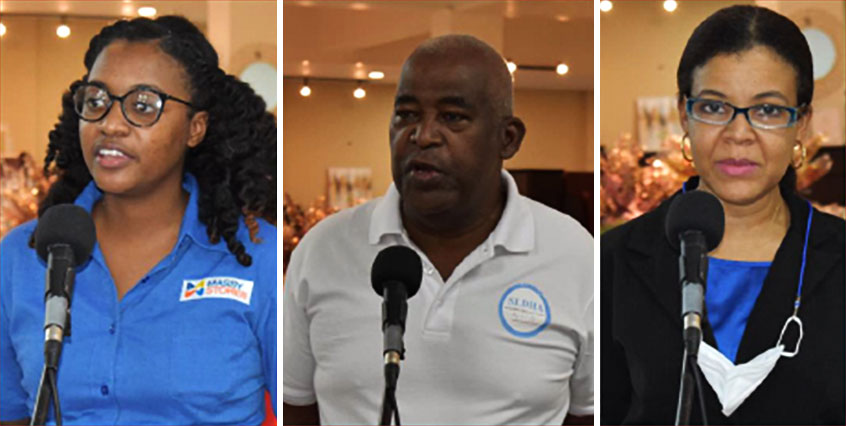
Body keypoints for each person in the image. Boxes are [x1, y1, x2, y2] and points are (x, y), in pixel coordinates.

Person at [283, 35, 593, 425]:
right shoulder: (323, 249)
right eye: (406, 114)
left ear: (508, 138)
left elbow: (585, 413)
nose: (422, 135)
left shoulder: (575, 255)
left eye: (452, 117)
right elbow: (295, 406)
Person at [0, 16, 277, 425]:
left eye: (143, 106)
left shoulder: (257, 257)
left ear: (195, 128)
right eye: (96, 101)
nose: (111, 124)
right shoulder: (23, 255)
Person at [601, 5, 845, 425]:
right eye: (714, 107)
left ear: (801, 123)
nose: (738, 133)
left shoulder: (838, 256)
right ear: (684, 113)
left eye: (768, 110)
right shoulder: (616, 259)